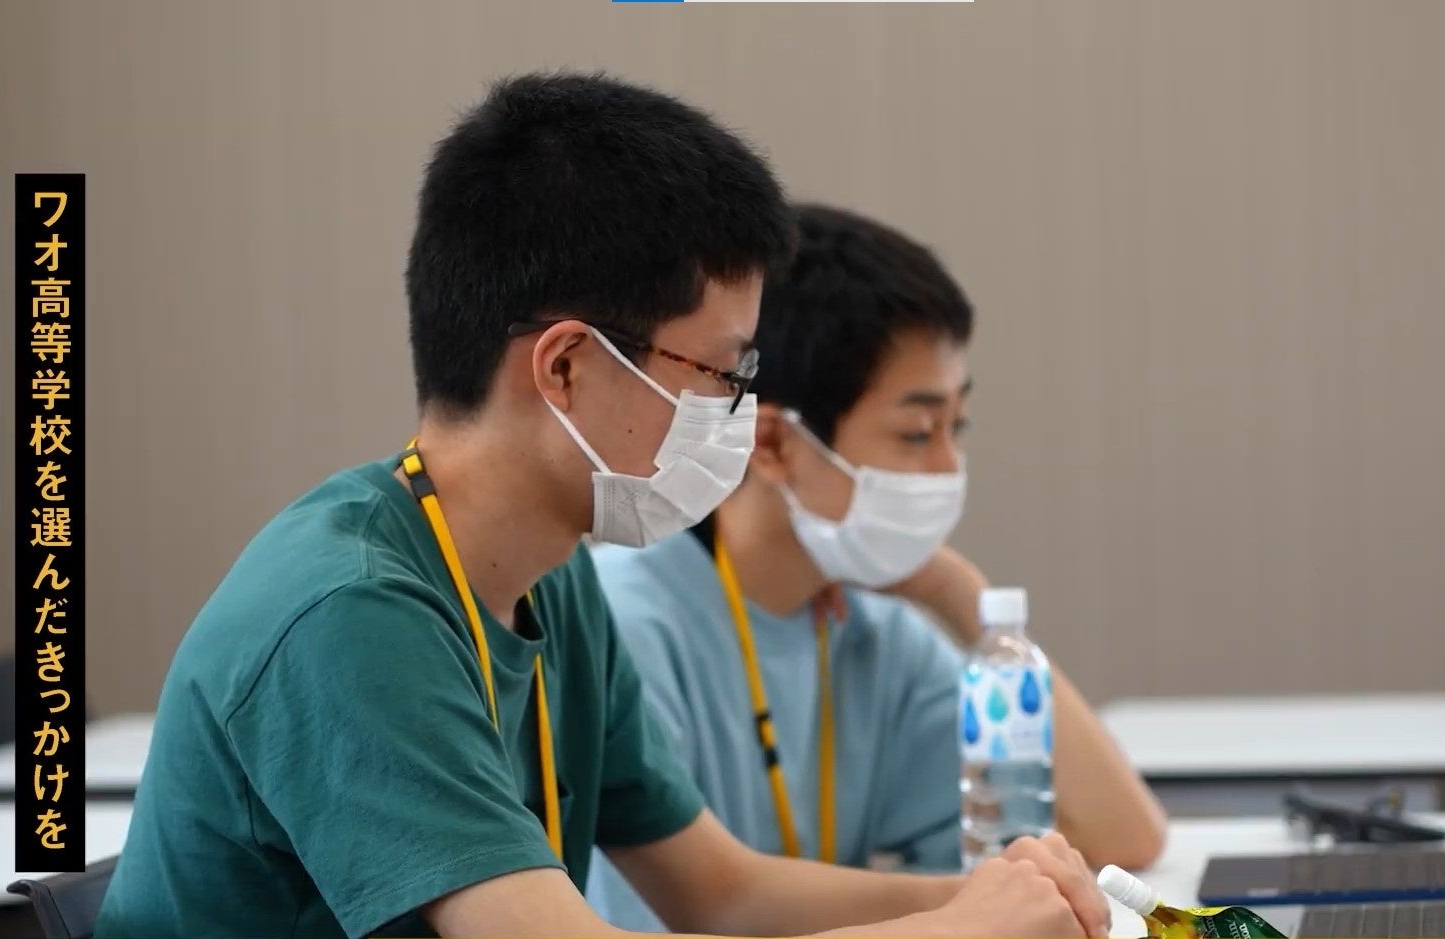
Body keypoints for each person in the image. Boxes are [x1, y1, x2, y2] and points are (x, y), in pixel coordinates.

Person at [93, 73, 1109, 939]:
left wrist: (991, 897)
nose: (734, 413)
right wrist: (958, 931)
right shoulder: (350, 611)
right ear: (568, 367)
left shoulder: (552, 578)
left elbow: (721, 891)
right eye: (719, 373)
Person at [585, 204, 1169, 932]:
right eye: (916, 432)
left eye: (957, 426)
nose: (949, 467)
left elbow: (1121, 840)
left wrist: (955, 591)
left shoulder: (873, 630)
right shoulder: (627, 623)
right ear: (773, 445)